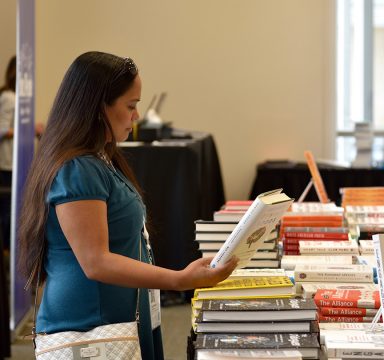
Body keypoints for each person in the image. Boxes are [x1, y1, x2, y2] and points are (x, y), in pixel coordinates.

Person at [18, 52, 238, 360]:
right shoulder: (77, 168)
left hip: (120, 316)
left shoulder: (101, 157)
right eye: (131, 106)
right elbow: (96, 261)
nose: (136, 117)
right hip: (90, 327)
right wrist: (178, 279)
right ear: (97, 109)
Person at [0, 56, 44, 250]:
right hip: (7, 164)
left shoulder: (17, 97)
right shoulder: (9, 97)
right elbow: (2, 129)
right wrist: (30, 129)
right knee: (8, 214)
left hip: (15, 164)